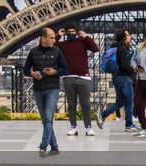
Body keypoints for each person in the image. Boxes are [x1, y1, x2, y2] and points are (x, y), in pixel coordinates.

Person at [25, 28, 68, 157]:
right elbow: (25, 69)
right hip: (38, 89)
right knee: (45, 120)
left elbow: (66, 69)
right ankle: (55, 147)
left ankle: (43, 146)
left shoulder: (57, 51)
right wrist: (32, 73)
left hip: (52, 89)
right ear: (43, 38)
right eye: (51, 38)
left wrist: (54, 72)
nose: (54, 40)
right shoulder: (33, 52)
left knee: (48, 117)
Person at [58, 27, 100, 136]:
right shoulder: (62, 44)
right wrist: (58, 35)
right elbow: (52, 46)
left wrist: (86, 36)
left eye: (73, 32)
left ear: (76, 33)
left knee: (85, 104)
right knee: (71, 104)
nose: (71, 33)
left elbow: (95, 49)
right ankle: (73, 127)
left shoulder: (83, 41)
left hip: (83, 77)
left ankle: (88, 127)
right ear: (66, 33)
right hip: (68, 77)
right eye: (69, 32)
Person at [98, 30, 138, 132]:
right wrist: (134, 69)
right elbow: (124, 65)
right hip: (124, 78)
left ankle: (102, 114)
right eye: (128, 35)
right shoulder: (123, 48)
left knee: (120, 102)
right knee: (129, 102)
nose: (130, 37)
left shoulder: (114, 47)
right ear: (124, 37)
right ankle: (129, 125)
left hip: (116, 78)